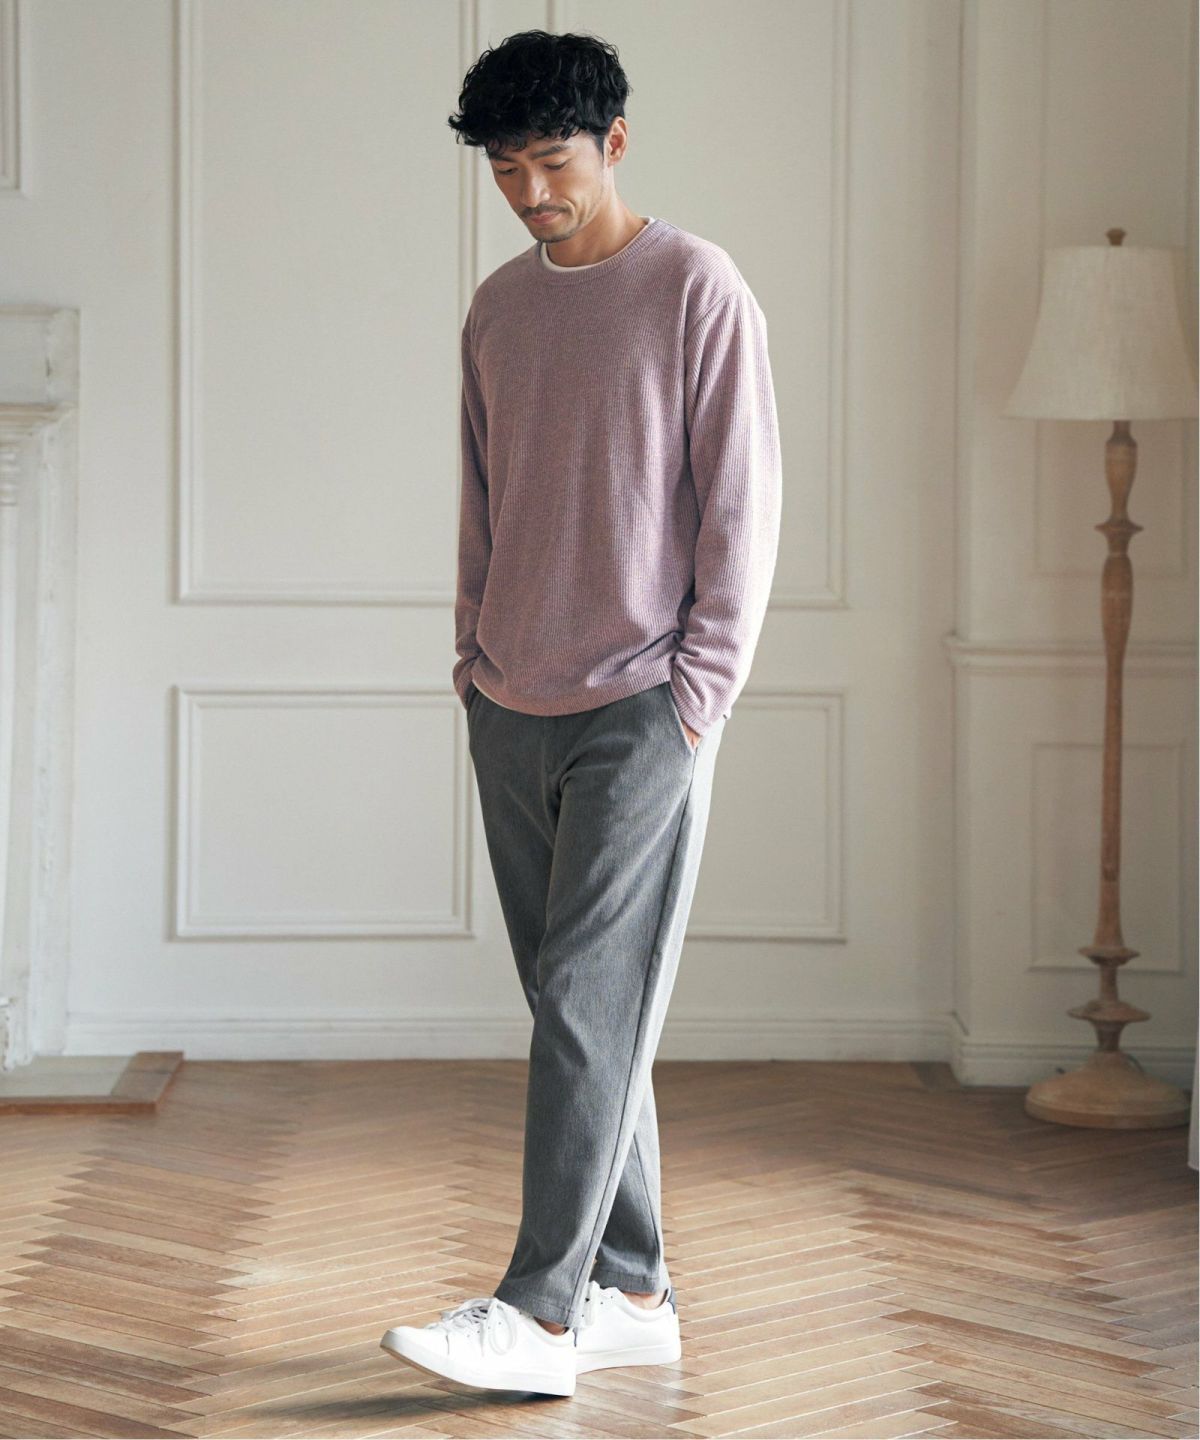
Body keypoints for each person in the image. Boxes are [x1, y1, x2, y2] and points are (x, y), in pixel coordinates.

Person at [381, 28, 782, 1398]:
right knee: (583, 1014)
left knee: (583, 1012)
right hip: (510, 699)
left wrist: (695, 701)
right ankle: (636, 1291)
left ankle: (540, 1316)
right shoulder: (499, 308)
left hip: (641, 706)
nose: (530, 193)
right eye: (505, 170)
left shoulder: (696, 288)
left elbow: (743, 510)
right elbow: (479, 498)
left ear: (614, 143)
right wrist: (470, 661)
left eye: (551, 162)